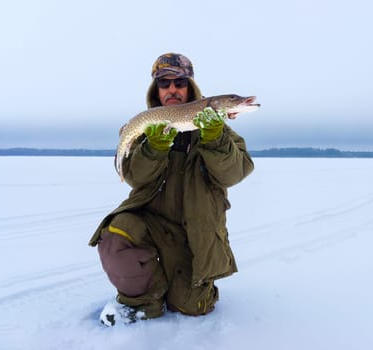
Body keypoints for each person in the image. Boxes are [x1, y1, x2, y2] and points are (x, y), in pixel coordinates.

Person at [88, 53, 254, 325]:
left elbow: (235, 173)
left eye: (179, 82)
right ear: (157, 91)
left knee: (193, 307)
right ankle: (143, 302)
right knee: (117, 231)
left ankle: (189, 286)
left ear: (192, 88)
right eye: (165, 84)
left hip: (194, 237)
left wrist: (215, 140)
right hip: (151, 228)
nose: (172, 89)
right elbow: (134, 178)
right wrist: (153, 148)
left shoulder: (219, 131)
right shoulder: (146, 131)